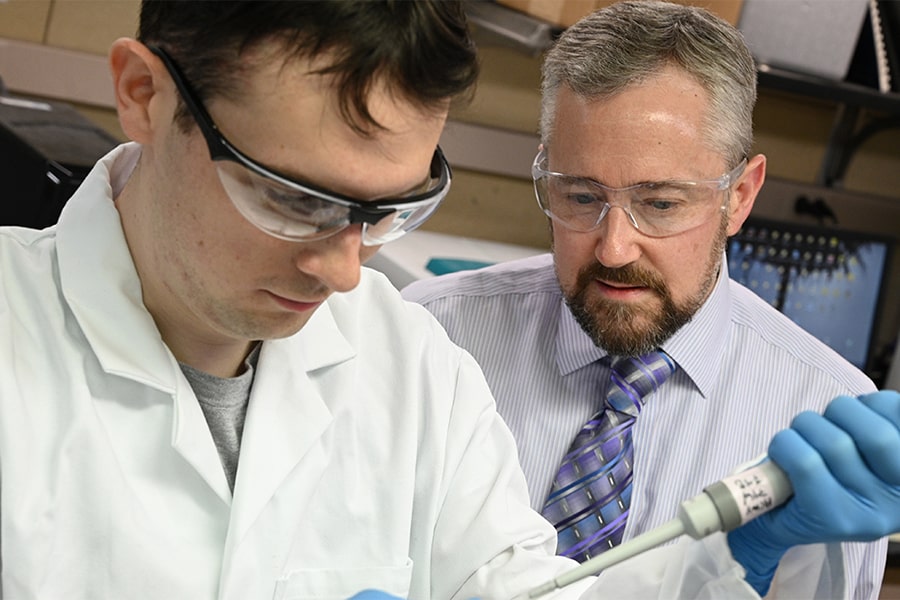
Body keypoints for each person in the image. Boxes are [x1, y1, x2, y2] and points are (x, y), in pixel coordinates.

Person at [0, 1, 897, 599]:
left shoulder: (409, 361)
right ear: (144, 95)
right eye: (293, 198)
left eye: (387, 210)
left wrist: (730, 558)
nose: (347, 272)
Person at [402, 1, 893, 598]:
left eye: (660, 204)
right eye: (581, 196)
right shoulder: (432, 334)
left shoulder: (821, 411)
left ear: (739, 196)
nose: (612, 248)